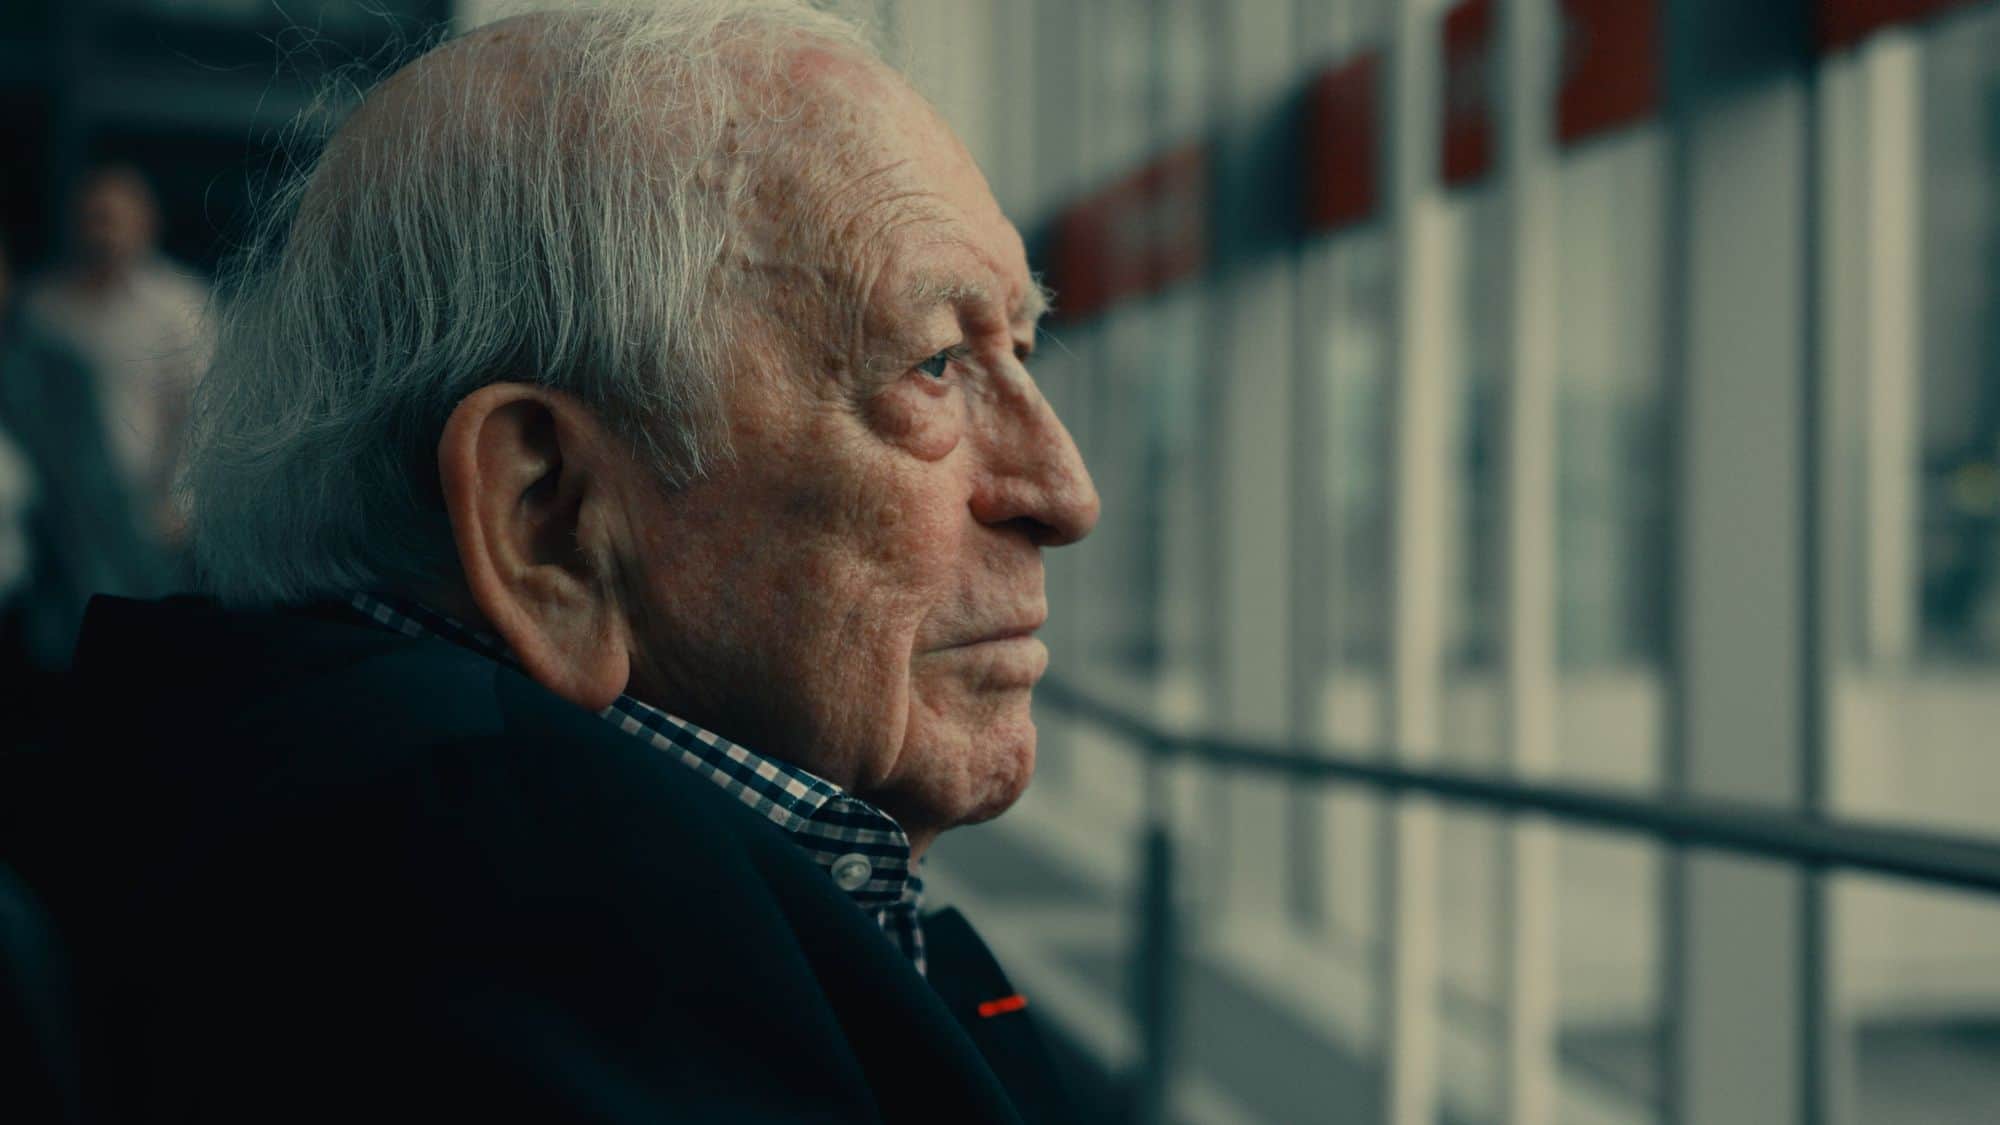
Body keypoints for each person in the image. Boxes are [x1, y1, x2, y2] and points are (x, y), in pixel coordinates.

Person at [10, 3, 1099, 1123]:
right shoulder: (524, 940)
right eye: (930, 365)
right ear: (547, 522)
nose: (1064, 495)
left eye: (1016, 350)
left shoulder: (353, 840)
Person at [24, 165, 210, 546]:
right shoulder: (44, 308)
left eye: (115, 219)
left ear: (147, 222)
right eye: (94, 219)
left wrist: (181, 505)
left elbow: (201, 409)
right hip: (57, 513)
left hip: (147, 516)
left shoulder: (181, 306)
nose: (104, 232)